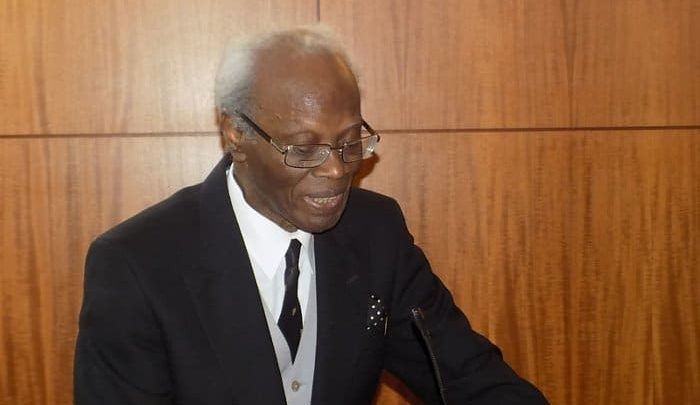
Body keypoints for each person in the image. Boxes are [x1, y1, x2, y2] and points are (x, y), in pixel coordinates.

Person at [74, 26, 548, 404]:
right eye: (303, 149)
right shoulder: (137, 264)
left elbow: (468, 376)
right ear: (236, 134)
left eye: (350, 142)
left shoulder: (377, 233)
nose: (337, 170)